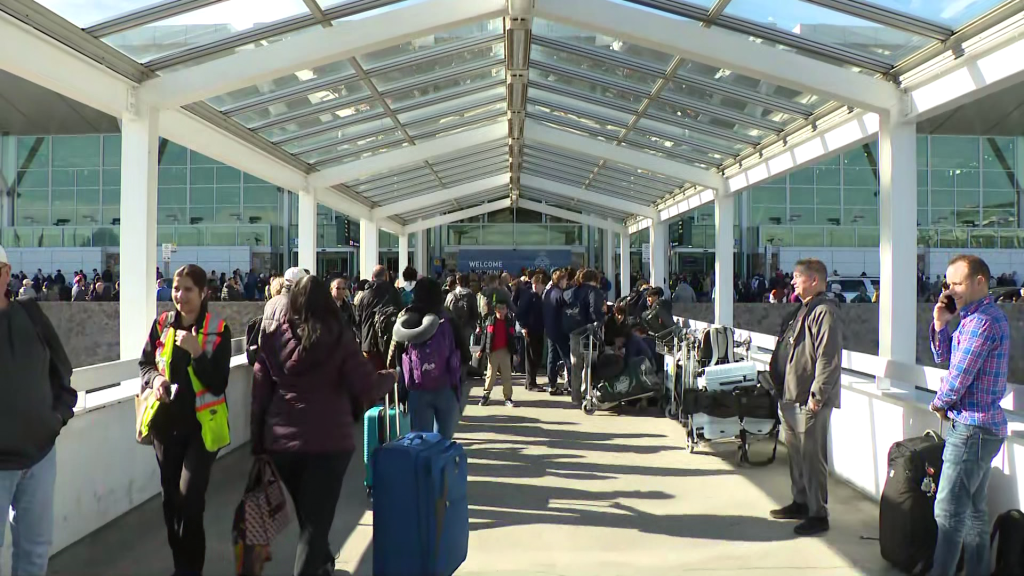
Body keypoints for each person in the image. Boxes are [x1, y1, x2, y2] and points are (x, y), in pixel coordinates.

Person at [252, 275, 395, 576]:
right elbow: (365, 386)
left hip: (282, 445)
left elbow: (260, 389)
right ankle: (313, 566)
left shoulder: (272, 337)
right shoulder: (339, 339)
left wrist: (257, 441)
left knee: (310, 514)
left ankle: (323, 564)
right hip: (329, 443)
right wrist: (391, 377)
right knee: (315, 523)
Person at [138, 264, 232, 575]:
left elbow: (218, 383)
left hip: (201, 431)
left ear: (204, 292)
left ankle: (191, 570)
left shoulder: (218, 330)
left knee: (191, 501)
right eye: (176, 288)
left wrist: (197, 353)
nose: (180, 295)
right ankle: (181, 565)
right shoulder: (162, 324)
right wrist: (155, 381)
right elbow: (146, 364)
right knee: (171, 504)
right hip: (165, 427)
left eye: (188, 289)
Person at [928, 255, 1009, 576]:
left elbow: (958, 377)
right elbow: (944, 357)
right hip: (980, 428)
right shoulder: (971, 319)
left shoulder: (983, 322)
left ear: (980, 282)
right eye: (948, 284)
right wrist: (939, 324)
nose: (952, 290)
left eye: (958, 283)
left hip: (973, 428)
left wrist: (938, 403)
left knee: (948, 511)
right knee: (974, 511)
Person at [0, 245, 77, 576]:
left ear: (5, 273)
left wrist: (56, 418)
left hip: (40, 458)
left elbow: (61, 371)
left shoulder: (31, 315)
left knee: (33, 554)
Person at [768, 258, 842, 537]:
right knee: (797, 455)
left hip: (809, 399)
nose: (793, 281)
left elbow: (828, 357)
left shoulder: (824, 312)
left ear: (814, 280)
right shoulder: (802, 310)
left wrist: (818, 395)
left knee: (812, 457)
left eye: (798, 277)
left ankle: (817, 513)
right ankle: (800, 502)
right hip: (790, 396)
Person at [396, 278, 464, 439]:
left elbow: (397, 353)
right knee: (444, 440)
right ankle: (441, 465)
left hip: (417, 389)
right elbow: (464, 352)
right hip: (446, 386)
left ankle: (422, 465)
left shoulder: (407, 318)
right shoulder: (448, 318)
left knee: (421, 440)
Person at [354, 265, 402, 370]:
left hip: (369, 345)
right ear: (386, 276)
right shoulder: (393, 293)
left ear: (372, 277)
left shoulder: (364, 296)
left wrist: (363, 342)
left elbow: (357, 322)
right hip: (389, 343)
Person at [477, 299, 518, 408]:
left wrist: (515, 352)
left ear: (506, 310)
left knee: (506, 375)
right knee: (490, 375)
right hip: (493, 351)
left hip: (505, 351)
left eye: (503, 309)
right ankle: (486, 395)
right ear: (495, 310)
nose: (501, 311)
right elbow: (485, 337)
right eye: (498, 309)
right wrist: (481, 350)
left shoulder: (509, 322)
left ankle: (508, 397)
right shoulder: (490, 321)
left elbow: (512, 338)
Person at [543, 269, 572, 396]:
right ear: (561, 280)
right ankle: (572, 384)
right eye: (565, 279)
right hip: (560, 330)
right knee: (567, 358)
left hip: (550, 329)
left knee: (551, 358)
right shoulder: (561, 294)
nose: (567, 281)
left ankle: (552, 385)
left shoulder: (548, 292)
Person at [516, 274, 547, 392]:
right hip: (530, 330)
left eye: (538, 284)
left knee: (536, 356)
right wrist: (523, 326)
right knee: (531, 356)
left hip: (538, 329)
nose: (536, 286)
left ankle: (530, 381)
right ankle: (531, 382)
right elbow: (520, 313)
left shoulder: (539, 297)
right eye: (534, 284)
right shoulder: (529, 296)